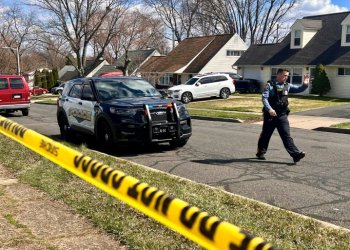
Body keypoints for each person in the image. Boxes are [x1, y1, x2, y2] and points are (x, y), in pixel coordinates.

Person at [256, 68, 310, 163]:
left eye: (287, 76)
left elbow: (299, 89)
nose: (286, 77)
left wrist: (305, 83)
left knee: (286, 136)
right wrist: (270, 109)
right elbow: (264, 98)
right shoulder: (270, 85)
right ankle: (261, 152)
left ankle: (295, 155)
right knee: (266, 135)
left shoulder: (287, 86)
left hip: (282, 115)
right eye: (284, 75)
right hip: (270, 116)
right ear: (278, 75)